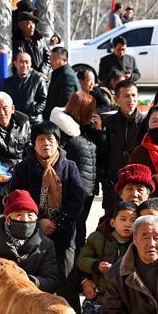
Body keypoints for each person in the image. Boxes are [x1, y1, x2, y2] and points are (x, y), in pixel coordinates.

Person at [9, 121, 85, 314]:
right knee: (34, 282)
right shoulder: (23, 168)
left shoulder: (69, 167)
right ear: (33, 144)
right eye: (40, 139)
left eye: (50, 139)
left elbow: (77, 199)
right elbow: (17, 197)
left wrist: (57, 222)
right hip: (32, 232)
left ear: (57, 142)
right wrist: (40, 220)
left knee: (67, 281)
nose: (46, 144)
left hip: (64, 233)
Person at [51, 92, 102, 249]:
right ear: (83, 110)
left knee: (79, 227)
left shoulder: (84, 128)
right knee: (74, 230)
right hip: (73, 189)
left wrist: (98, 131)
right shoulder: (65, 131)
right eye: (91, 109)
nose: (94, 113)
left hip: (87, 189)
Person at [100, 80, 147, 211]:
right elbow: (103, 153)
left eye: (134, 95)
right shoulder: (108, 123)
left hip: (139, 183)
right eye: (126, 96)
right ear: (116, 99)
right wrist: (106, 179)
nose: (131, 99)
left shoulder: (146, 123)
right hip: (114, 184)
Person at [2, 51, 47, 124]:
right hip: (15, 122)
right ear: (15, 63)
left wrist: (33, 111)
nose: (24, 65)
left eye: (27, 62)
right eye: (21, 62)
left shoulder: (38, 80)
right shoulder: (7, 82)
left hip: (34, 122)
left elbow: (44, 99)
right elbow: (4, 101)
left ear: (31, 64)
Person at [44, 47, 80, 120]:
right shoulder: (59, 72)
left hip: (63, 120)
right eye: (50, 58)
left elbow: (66, 103)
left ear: (64, 60)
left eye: (54, 59)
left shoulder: (67, 76)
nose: (51, 62)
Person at [12, 11, 51, 77]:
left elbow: (48, 56)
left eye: (33, 23)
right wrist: (35, 74)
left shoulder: (40, 39)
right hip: (25, 78)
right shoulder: (17, 43)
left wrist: (43, 71)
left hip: (42, 77)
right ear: (21, 26)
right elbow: (20, 62)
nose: (32, 26)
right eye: (28, 24)